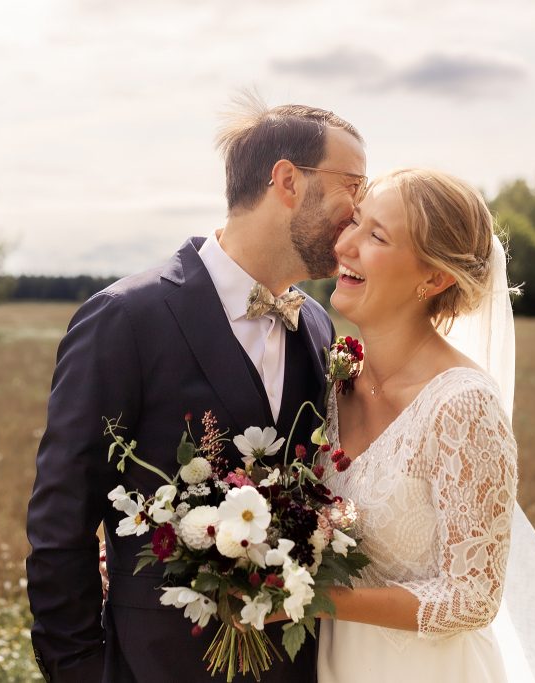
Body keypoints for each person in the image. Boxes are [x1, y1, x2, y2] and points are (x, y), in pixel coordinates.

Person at [25, 95, 366, 683]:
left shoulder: (315, 324)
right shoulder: (126, 319)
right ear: (287, 180)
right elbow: (61, 525)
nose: (361, 211)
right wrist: (81, 671)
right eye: (354, 185)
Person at [314, 169, 535, 681]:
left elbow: (472, 598)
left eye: (376, 235)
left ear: (434, 278)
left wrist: (316, 600)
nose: (345, 244)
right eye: (354, 222)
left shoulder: (463, 407)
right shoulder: (331, 378)